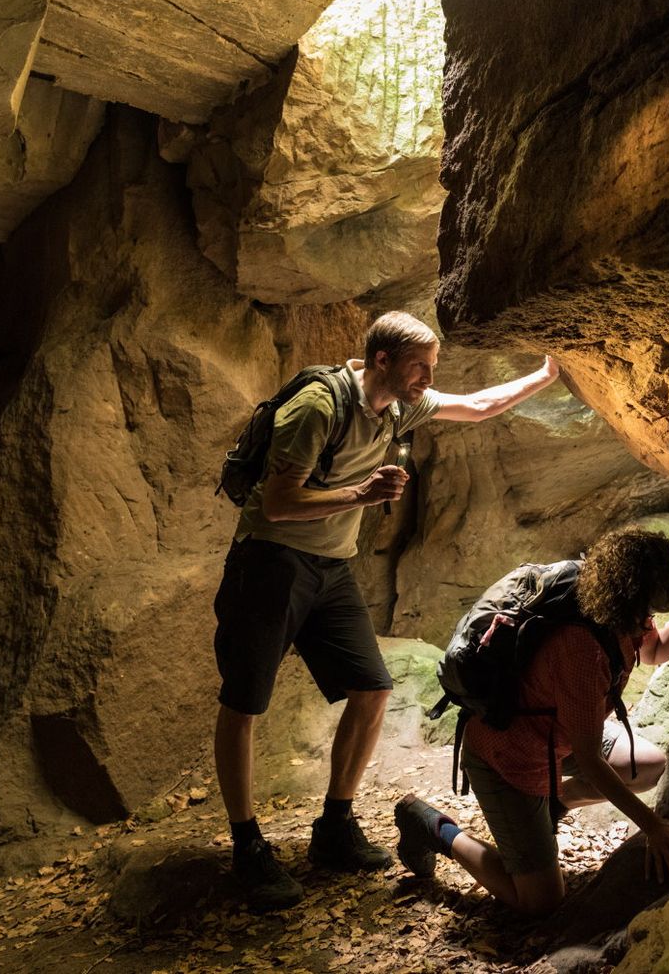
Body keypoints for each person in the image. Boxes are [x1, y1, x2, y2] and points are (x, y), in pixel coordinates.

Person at [213, 311, 561, 907]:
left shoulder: (401, 406)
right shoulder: (318, 408)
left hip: (329, 567)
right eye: (420, 366)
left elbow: (479, 406)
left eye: (432, 367)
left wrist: (548, 374)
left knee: (372, 688)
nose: (429, 377)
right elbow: (276, 504)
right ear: (382, 360)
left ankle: (335, 826)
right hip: (269, 560)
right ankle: (247, 845)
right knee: (244, 702)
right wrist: (361, 493)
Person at [394, 528, 669, 915]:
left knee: (647, 766)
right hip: (510, 754)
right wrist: (653, 826)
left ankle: (551, 806)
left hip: (557, 736)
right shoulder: (583, 647)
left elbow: (654, 652)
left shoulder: (625, 614)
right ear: (641, 588)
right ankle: (432, 827)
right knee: (540, 902)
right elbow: (591, 760)